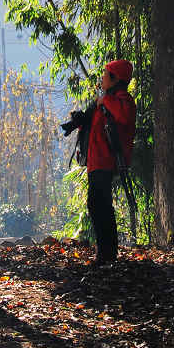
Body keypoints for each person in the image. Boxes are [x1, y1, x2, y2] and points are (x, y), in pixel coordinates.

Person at [63, 59, 136, 266]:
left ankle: (107, 254)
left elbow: (123, 116)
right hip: (97, 161)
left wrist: (104, 101)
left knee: (99, 205)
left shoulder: (122, 100)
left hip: (107, 161)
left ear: (115, 79)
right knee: (97, 205)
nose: (102, 78)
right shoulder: (107, 100)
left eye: (106, 75)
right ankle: (105, 253)